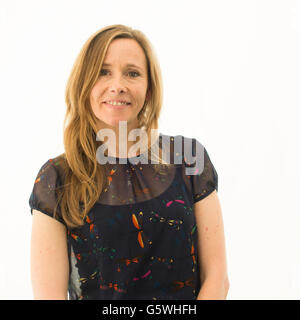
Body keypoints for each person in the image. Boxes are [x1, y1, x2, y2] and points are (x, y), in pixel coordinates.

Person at [29, 24, 229, 300]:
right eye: (103, 72)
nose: (118, 86)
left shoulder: (188, 158)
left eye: (132, 73)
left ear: (148, 89)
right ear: (84, 84)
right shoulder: (57, 178)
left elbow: (217, 278)